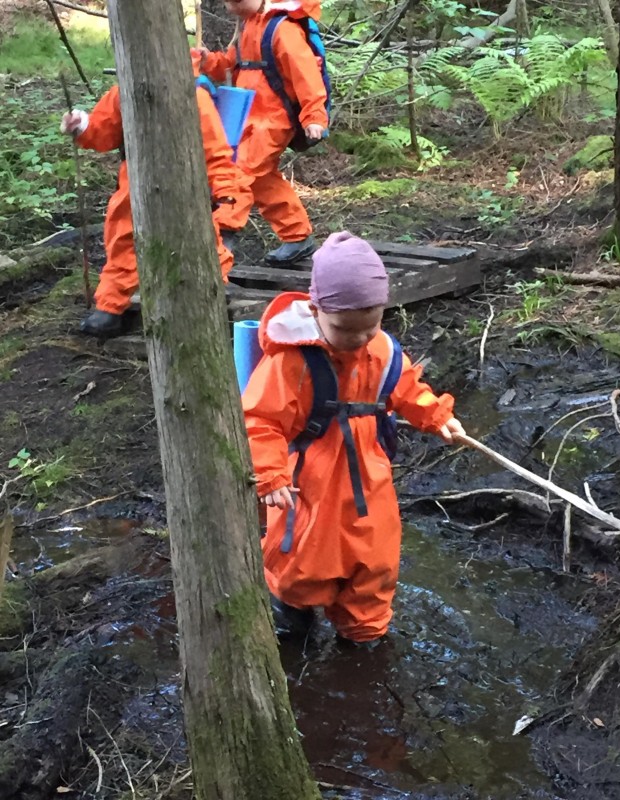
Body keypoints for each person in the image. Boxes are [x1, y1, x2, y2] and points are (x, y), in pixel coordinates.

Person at [242, 232, 465, 645]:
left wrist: (436, 416)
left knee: (375, 555)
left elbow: (406, 388)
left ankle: (365, 631)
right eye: (346, 329)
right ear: (316, 311)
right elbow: (261, 419)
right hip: (310, 480)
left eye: (370, 326)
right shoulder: (292, 361)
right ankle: (289, 617)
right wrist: (270, 474)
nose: (360, 338)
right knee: (303, 557)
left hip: (369, 474)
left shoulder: (382, 351)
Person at [60, 53, 240, 338]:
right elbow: (103, 131)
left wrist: (226, 195)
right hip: (136, 179)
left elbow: (216, 153)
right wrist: (82, 126)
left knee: (202, 237)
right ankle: (111, 306)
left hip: (187, 183)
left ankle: (213, 289)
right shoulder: (123, 93)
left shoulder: (194, 96)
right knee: (123, 238)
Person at [194, 0, 328, 264]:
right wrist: (209, 61)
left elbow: (306, 74)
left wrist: (314, 116)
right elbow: (233, 64)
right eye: (227, 2)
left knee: (238, 172)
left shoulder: (283, 28)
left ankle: (220, 237)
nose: (231, 8)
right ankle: (297, 236)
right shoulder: (250, 25)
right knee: (262, 180)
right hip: (249, 117)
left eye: (236, 1)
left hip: (274, 121)